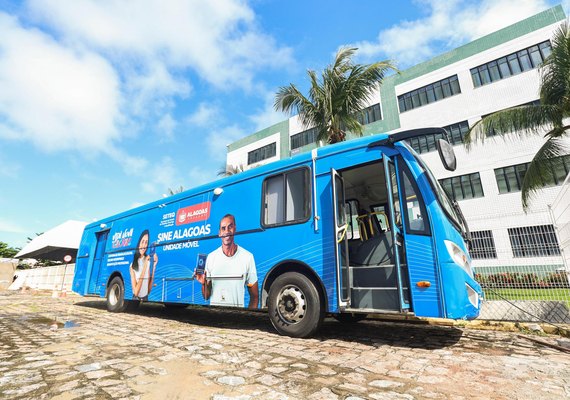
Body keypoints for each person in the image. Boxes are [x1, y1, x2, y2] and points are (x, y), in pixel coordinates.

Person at [196, 214, 258, 309]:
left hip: (237, 318)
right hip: (215, 316)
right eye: (223, 228)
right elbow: (206, 296)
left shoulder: (247, 257)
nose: (227, 231)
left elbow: (254, 296)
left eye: (230, 227)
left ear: (235, 229)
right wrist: (204, 283)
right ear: (219, 233)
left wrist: (247, 316)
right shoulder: (211, 257)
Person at [130, 229, 158, 300]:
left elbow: (148, 291)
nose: (144, 245)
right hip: (136, 298)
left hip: (146, 298)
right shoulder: (132, 266)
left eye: (146, 242)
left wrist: (154, 267)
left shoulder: (148, 261)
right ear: (138, 243)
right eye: (142, 242)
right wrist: (145, 265)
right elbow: (136, 293)